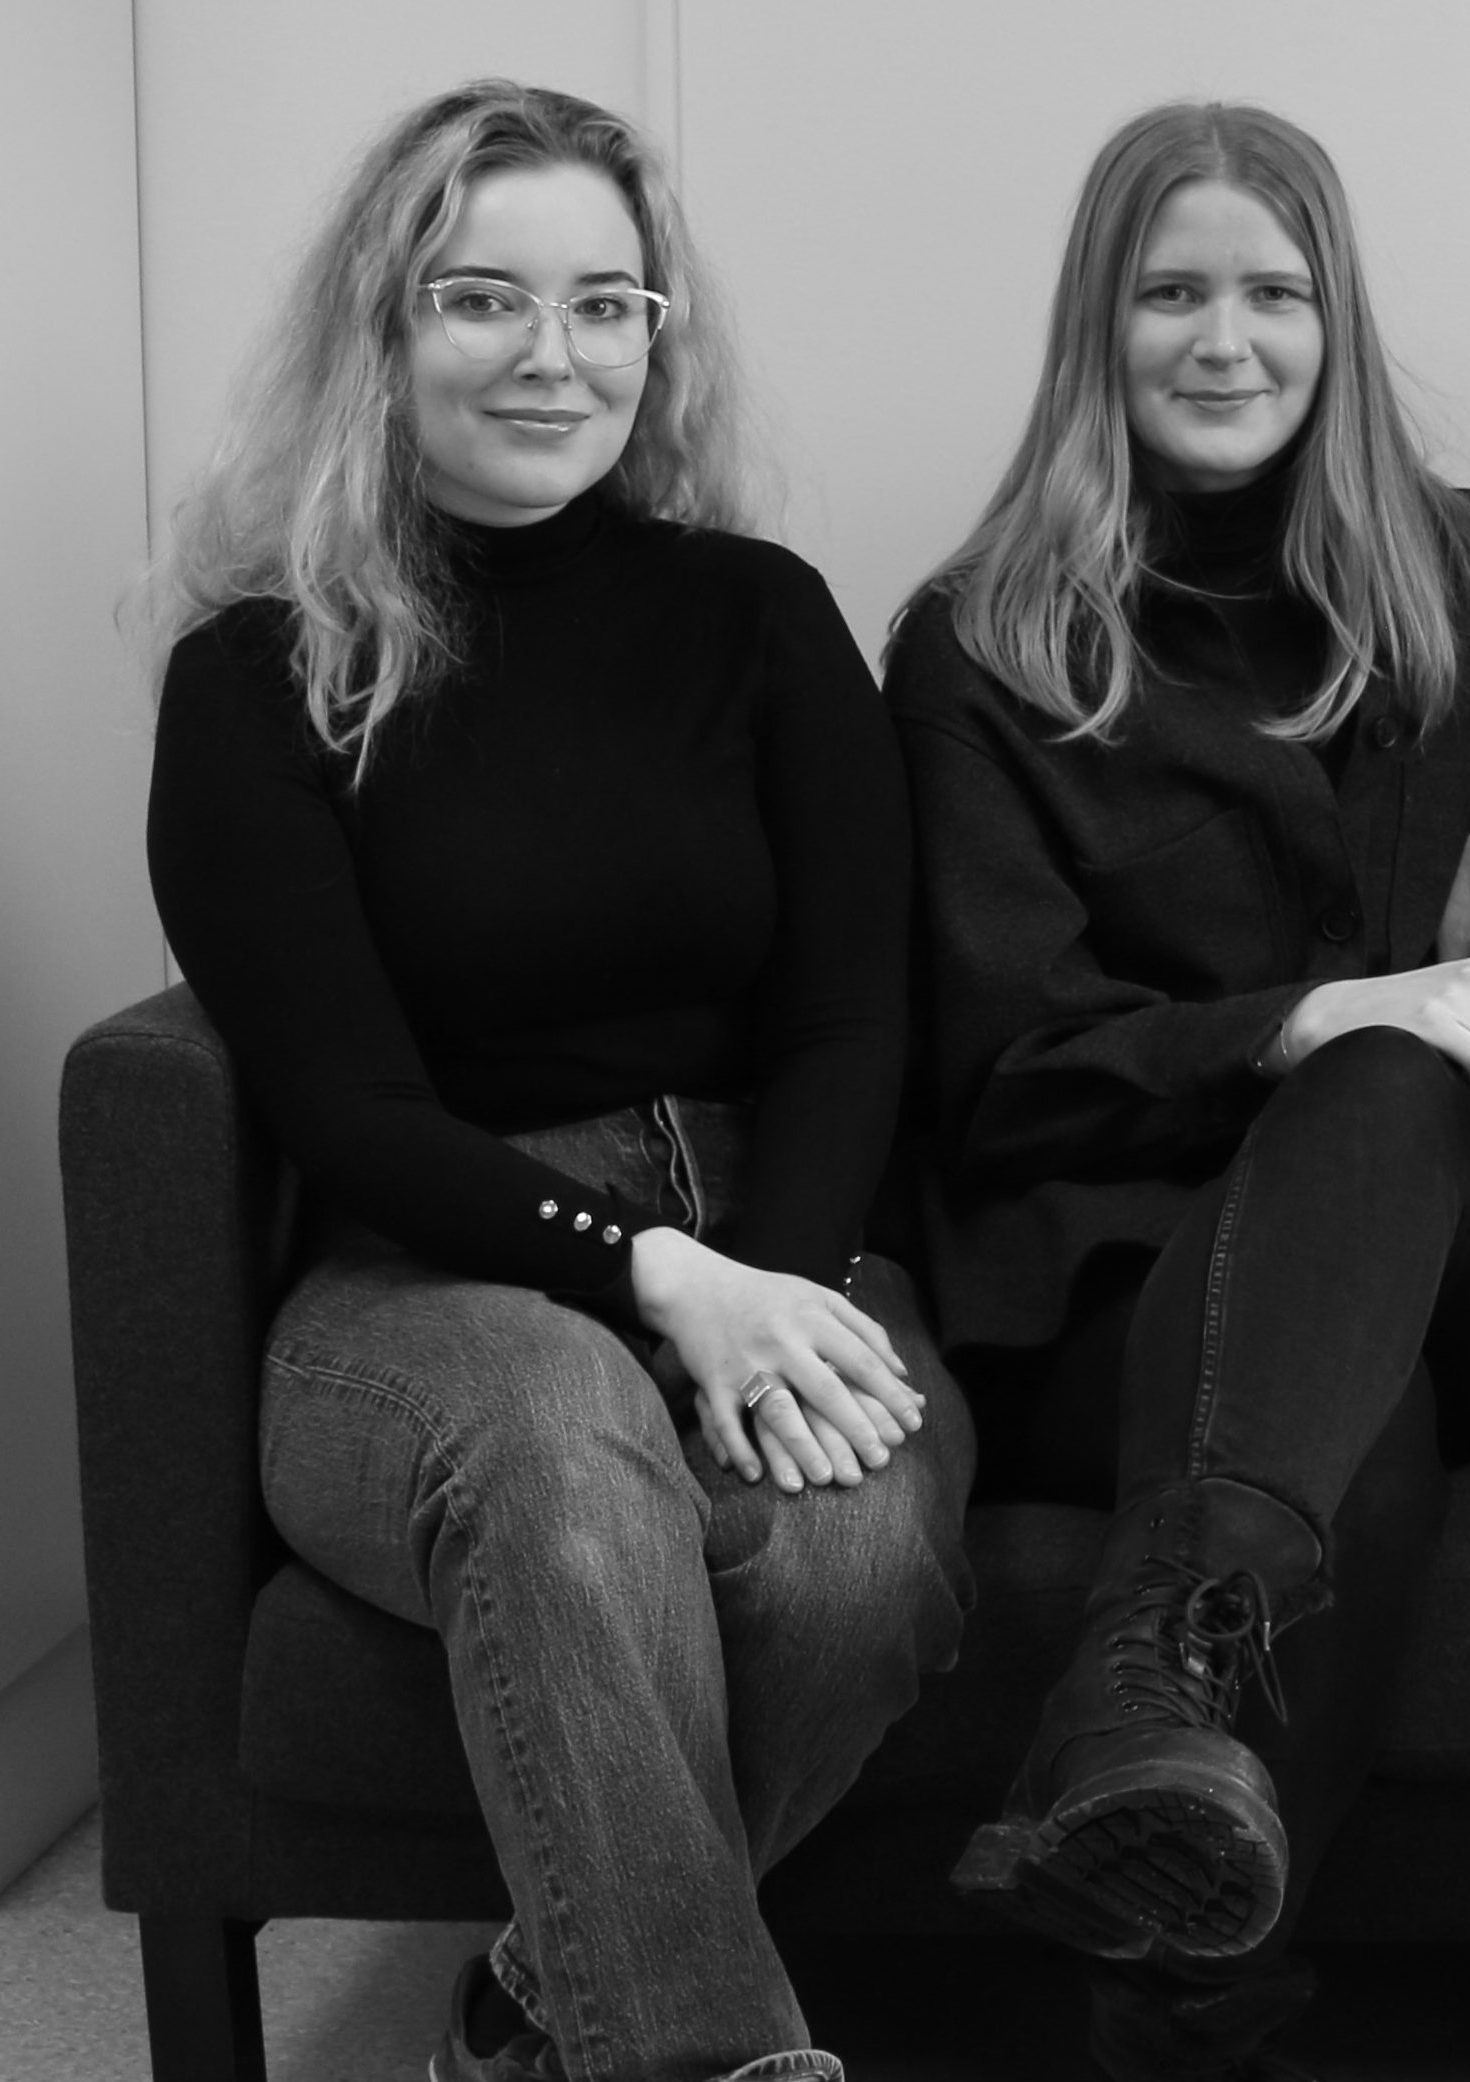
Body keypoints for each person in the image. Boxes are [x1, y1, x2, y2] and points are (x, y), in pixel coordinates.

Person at [143, 80, 967, 2082]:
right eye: (483, 297)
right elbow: (348, 1110)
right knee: (562, 1459)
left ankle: (536, 2013)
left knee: (851, 1558)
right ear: (384, 329)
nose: (554, 354)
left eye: (607, 304)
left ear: (656, 337)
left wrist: (771, 1281)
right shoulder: (261, 674)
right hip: (428, 1264)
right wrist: (651, 1279)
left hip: (767, 1218)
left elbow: (851, 1015)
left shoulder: (757, 614)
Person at [883, 102, 1470, 2082]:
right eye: (1172, 293)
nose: (1227, 339)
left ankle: (1143, 1664)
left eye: (1275, 292)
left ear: (1336, 320)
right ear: (1101, 322)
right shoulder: (981, 644)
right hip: (1115, 1279)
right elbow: (1002, 1075)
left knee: (1402, 1069)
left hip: (1430, 1230)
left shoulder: (1449, 575)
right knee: (1361, 1430)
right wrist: (1290, 1024)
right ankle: (1192, 2010)